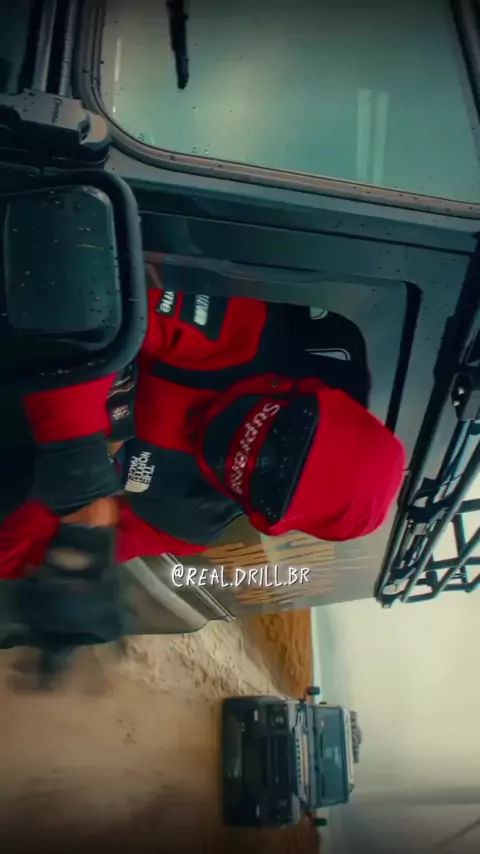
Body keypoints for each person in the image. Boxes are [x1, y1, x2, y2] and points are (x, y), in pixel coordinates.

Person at [0, 259, 405, 663]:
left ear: (263, 515)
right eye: (286, 436)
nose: (255, 456)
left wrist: (67, 575)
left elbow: (25, 550)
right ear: (307, 395)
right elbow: (88, 299)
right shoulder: (246, 334)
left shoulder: (189, 520)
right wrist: (79, 458)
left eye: (271, 484)